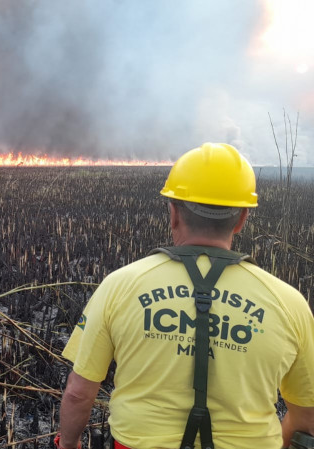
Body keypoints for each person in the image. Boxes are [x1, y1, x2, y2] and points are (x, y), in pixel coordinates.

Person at [55, 143, 314, 449]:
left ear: (173, 213)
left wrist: (68, 444)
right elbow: (306, 418)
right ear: (242, 218)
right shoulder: (289, 303)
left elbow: (78, 393)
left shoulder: (120, 285)